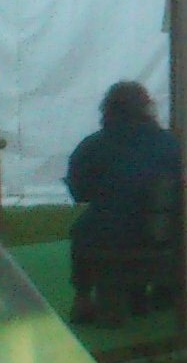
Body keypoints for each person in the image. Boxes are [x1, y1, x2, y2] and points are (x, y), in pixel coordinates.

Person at [64, 81, 177, 325]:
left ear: (108, 109)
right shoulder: (170, 144)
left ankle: (83, 297)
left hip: (111, 235)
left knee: (85, 228)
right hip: (166, 236)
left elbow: (80, 193)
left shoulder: (93, 145)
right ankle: (141, 297)